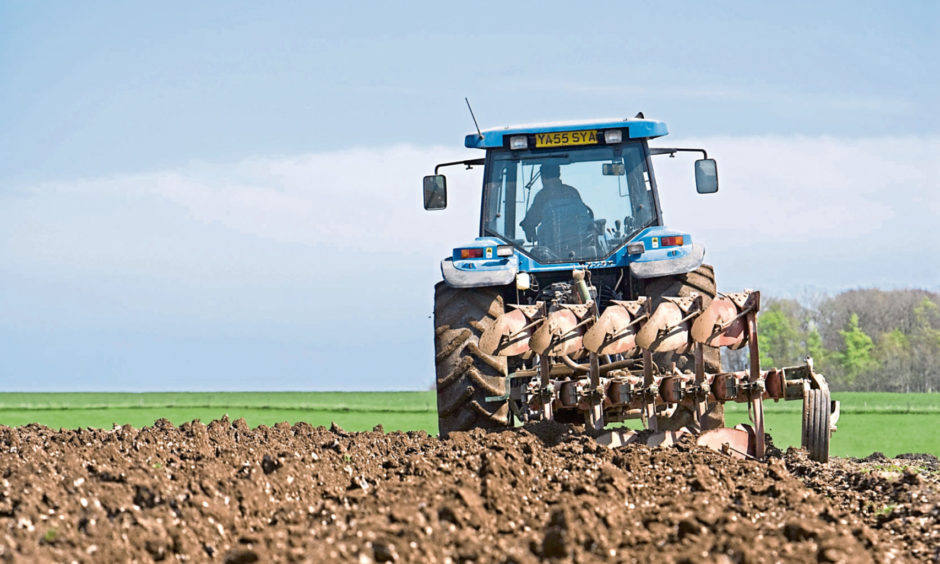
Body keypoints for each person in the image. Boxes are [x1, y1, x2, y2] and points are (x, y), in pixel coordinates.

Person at [519, 163, 592, 244]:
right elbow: (585, 220)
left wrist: (531, 235)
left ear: (542, 177)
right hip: (580, 247)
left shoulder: (542, 196)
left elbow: (529, 224)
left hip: (551, 250)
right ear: (559, 174)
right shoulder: (572, 192)